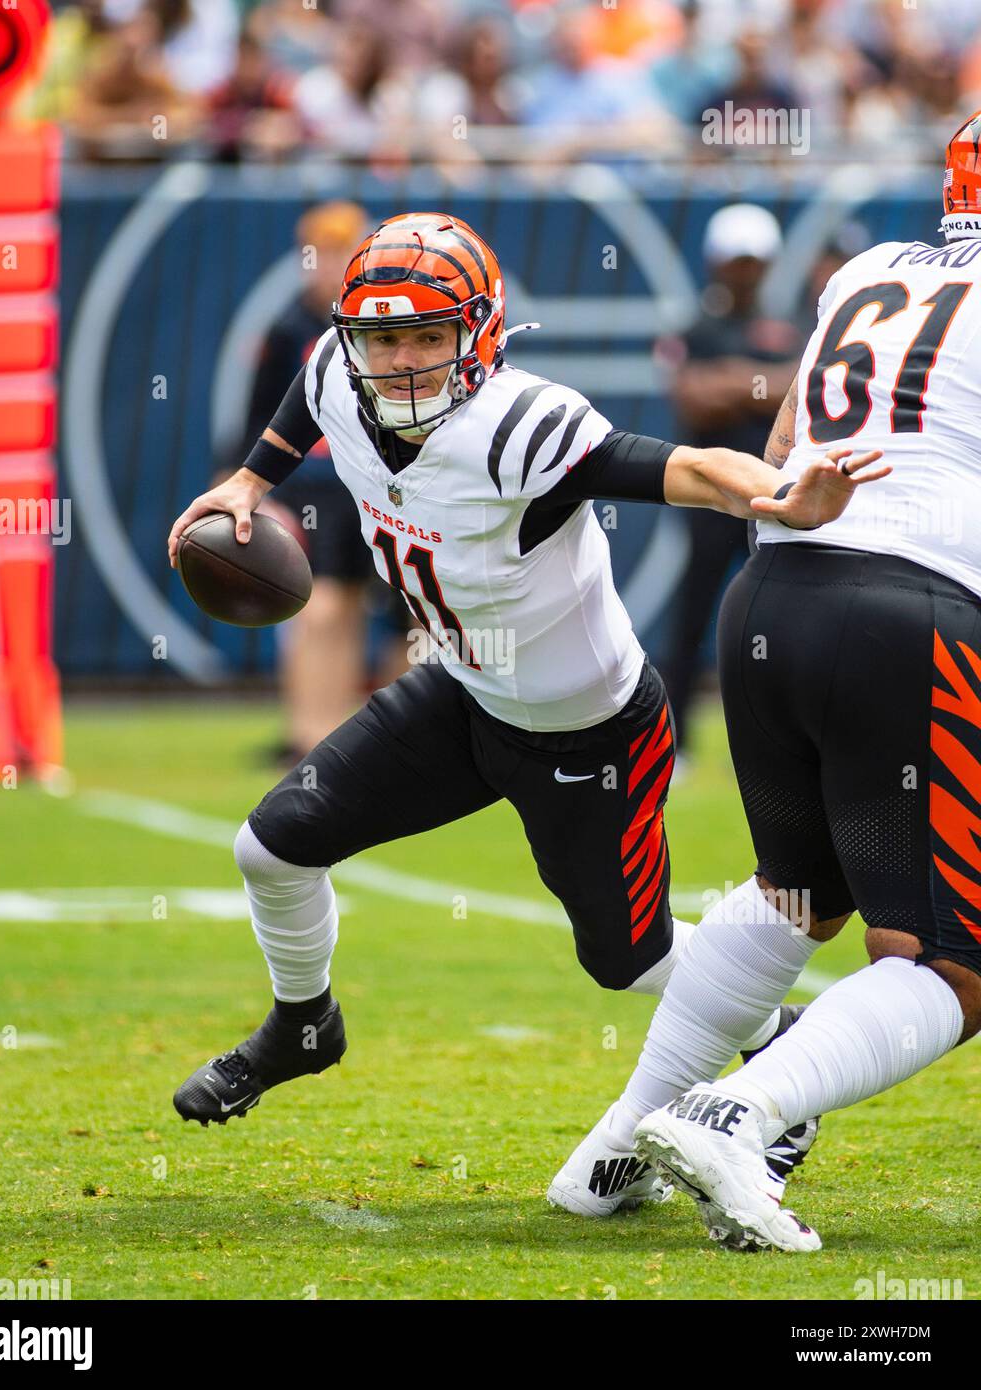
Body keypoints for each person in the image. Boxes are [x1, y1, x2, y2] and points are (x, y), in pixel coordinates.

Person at [165, 214, 883, 1209]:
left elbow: (681, 466)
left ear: (482, 332)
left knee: (623, 962)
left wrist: (777, 498)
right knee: (271, 846)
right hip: (460, 690)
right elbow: (313, 388)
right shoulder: (340, 367)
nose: (402, 359)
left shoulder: (520, 427)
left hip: (586, 733)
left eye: (427, 335)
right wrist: (250, 476)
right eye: (383, 337)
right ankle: (304, 1025)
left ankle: (781, 1045)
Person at [560, 109, 981, 1252]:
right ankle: (736, 1113)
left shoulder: (873, 266)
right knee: (952, 957)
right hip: (908, 611)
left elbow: (792, 435)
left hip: (773, 594)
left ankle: (610, 1146)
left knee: (799, 890)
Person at [233, 200, 410, 764]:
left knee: (398, 613)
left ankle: (378, 736)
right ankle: (311, 734)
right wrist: (252, 490)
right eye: (319, 254)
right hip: (312, 491)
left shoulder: (381, 328)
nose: (326, 266)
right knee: (325, 608)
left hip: (373, 487)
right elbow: (255, 424)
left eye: (339, 254)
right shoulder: (288, 331)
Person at [655, 204, 802, 768]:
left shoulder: (789, 318)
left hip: (772, 492)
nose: (745, 271)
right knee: (692, 612)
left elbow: (799, 386)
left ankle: (786, 745)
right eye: (737, 260)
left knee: (781, 618)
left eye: (754, 261)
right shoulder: (695, 325)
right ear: (717, 262)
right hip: (708, 495)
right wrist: (759, 382)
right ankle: (678, 743)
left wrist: (731, 380)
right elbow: (693, 396)